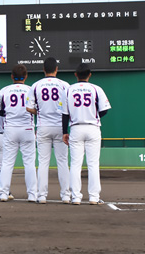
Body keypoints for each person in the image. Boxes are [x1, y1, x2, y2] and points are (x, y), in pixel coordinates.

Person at [62, 63, 111, 205]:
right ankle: (94, 197)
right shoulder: (96, 89)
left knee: (75, 164)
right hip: (92, 127)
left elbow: (65, 114)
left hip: (76, 128)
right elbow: (104, 110)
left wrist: (64, 132)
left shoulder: (69, 90)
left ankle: (76, 197)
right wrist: (93, 115)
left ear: (76, 74)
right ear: (89, 75)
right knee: (93, 164)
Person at [26, 57, 71, 204]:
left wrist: (39, 112)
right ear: (56, 69)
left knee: (43, 162)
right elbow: (70, 108)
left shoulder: (36, 85)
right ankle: (65, 195)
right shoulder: (65, 85)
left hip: (43, 126)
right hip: (60, 126)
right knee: (62, 161)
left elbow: (28, 107)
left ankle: (42, 196)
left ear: (44, 69)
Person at [0, 64, 37, 202]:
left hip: (10, 128)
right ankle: (32, 194)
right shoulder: (31, 89)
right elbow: (36, 108)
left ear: (12, 76)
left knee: (7, 162)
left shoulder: (4, 90)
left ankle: (3, 193)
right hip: (27, 128)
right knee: (29, 163)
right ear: (26, 76)